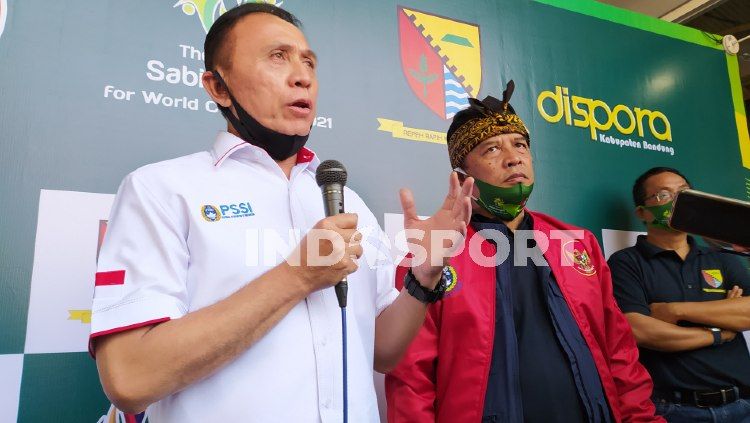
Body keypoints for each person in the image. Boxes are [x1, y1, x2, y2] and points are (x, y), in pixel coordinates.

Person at [90, 4, 472, 422]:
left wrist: (423, 278)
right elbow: (129, 378)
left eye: (308, 62)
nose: (302, 75)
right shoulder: (160, 189)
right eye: (277, 57)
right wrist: (297, 276)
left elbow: (382, 351)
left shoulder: (348, 200)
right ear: (218, 87)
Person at [385, 82, 663, 422]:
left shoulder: (577, 242)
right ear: (461, 176)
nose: (514, 157)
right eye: (491, 150)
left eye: (520, 145)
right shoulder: (433, 255)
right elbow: (411, 380)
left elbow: (619, 350)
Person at [608, 167, 750, 422]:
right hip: (676, 410)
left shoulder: (720, 257)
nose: (676, 201)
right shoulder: (626, 263)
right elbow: (640, 330)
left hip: (741, 406)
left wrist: (675, 311)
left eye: (683, 193)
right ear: (642, 212)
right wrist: (719, 333)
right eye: (663, 195)